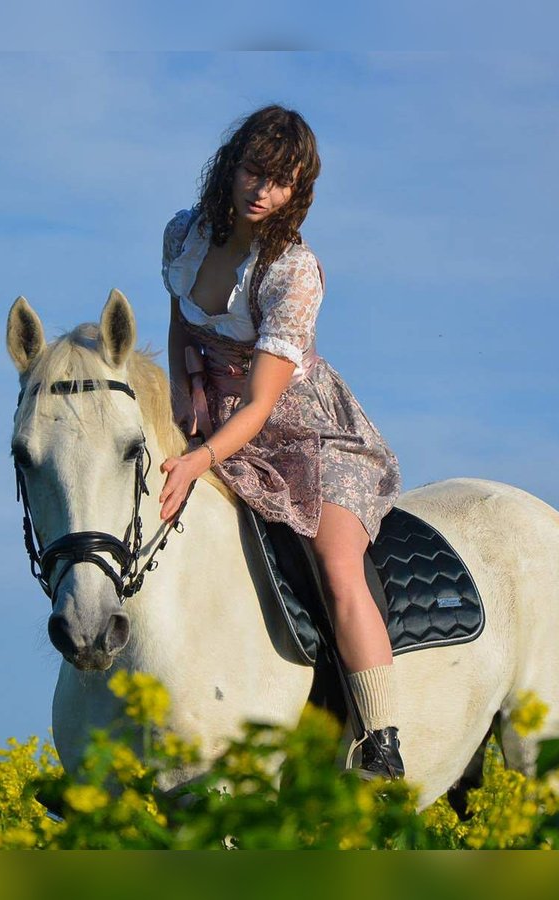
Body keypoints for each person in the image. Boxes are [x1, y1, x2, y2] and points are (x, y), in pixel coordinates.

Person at [156, 105, 404, 780]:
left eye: (282, 181)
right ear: (231, 166)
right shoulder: (186, 233)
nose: (263, 191)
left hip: (302, 431)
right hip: (213, 414)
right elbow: (182, 318)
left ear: (299, 191)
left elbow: (265, 401)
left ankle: (380, 742)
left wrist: (201, 456)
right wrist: (184, 393)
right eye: (255, 172)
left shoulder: (294, 272)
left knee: (337, 566)